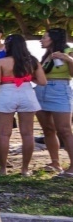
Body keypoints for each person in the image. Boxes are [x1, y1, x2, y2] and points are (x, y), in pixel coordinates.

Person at [0, 34, 47, 176]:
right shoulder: (32, 61)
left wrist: (8, 77)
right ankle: (25, 170)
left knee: (4, 134)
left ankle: (3, 169)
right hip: (27, 92)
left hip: (7, 94)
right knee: (28, 134)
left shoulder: (1, 62)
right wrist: (27, 77)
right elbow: (42, 81)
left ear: (8, 46)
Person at [35, 28, 73, 176]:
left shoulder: (67, 50)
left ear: (53, 39)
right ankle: (55, 162)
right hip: (41, 89)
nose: (41, 40)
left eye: (44, 37)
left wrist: (68, 59)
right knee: (47, 129)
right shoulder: (46, 55)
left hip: (59, 89)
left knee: (64, 130)